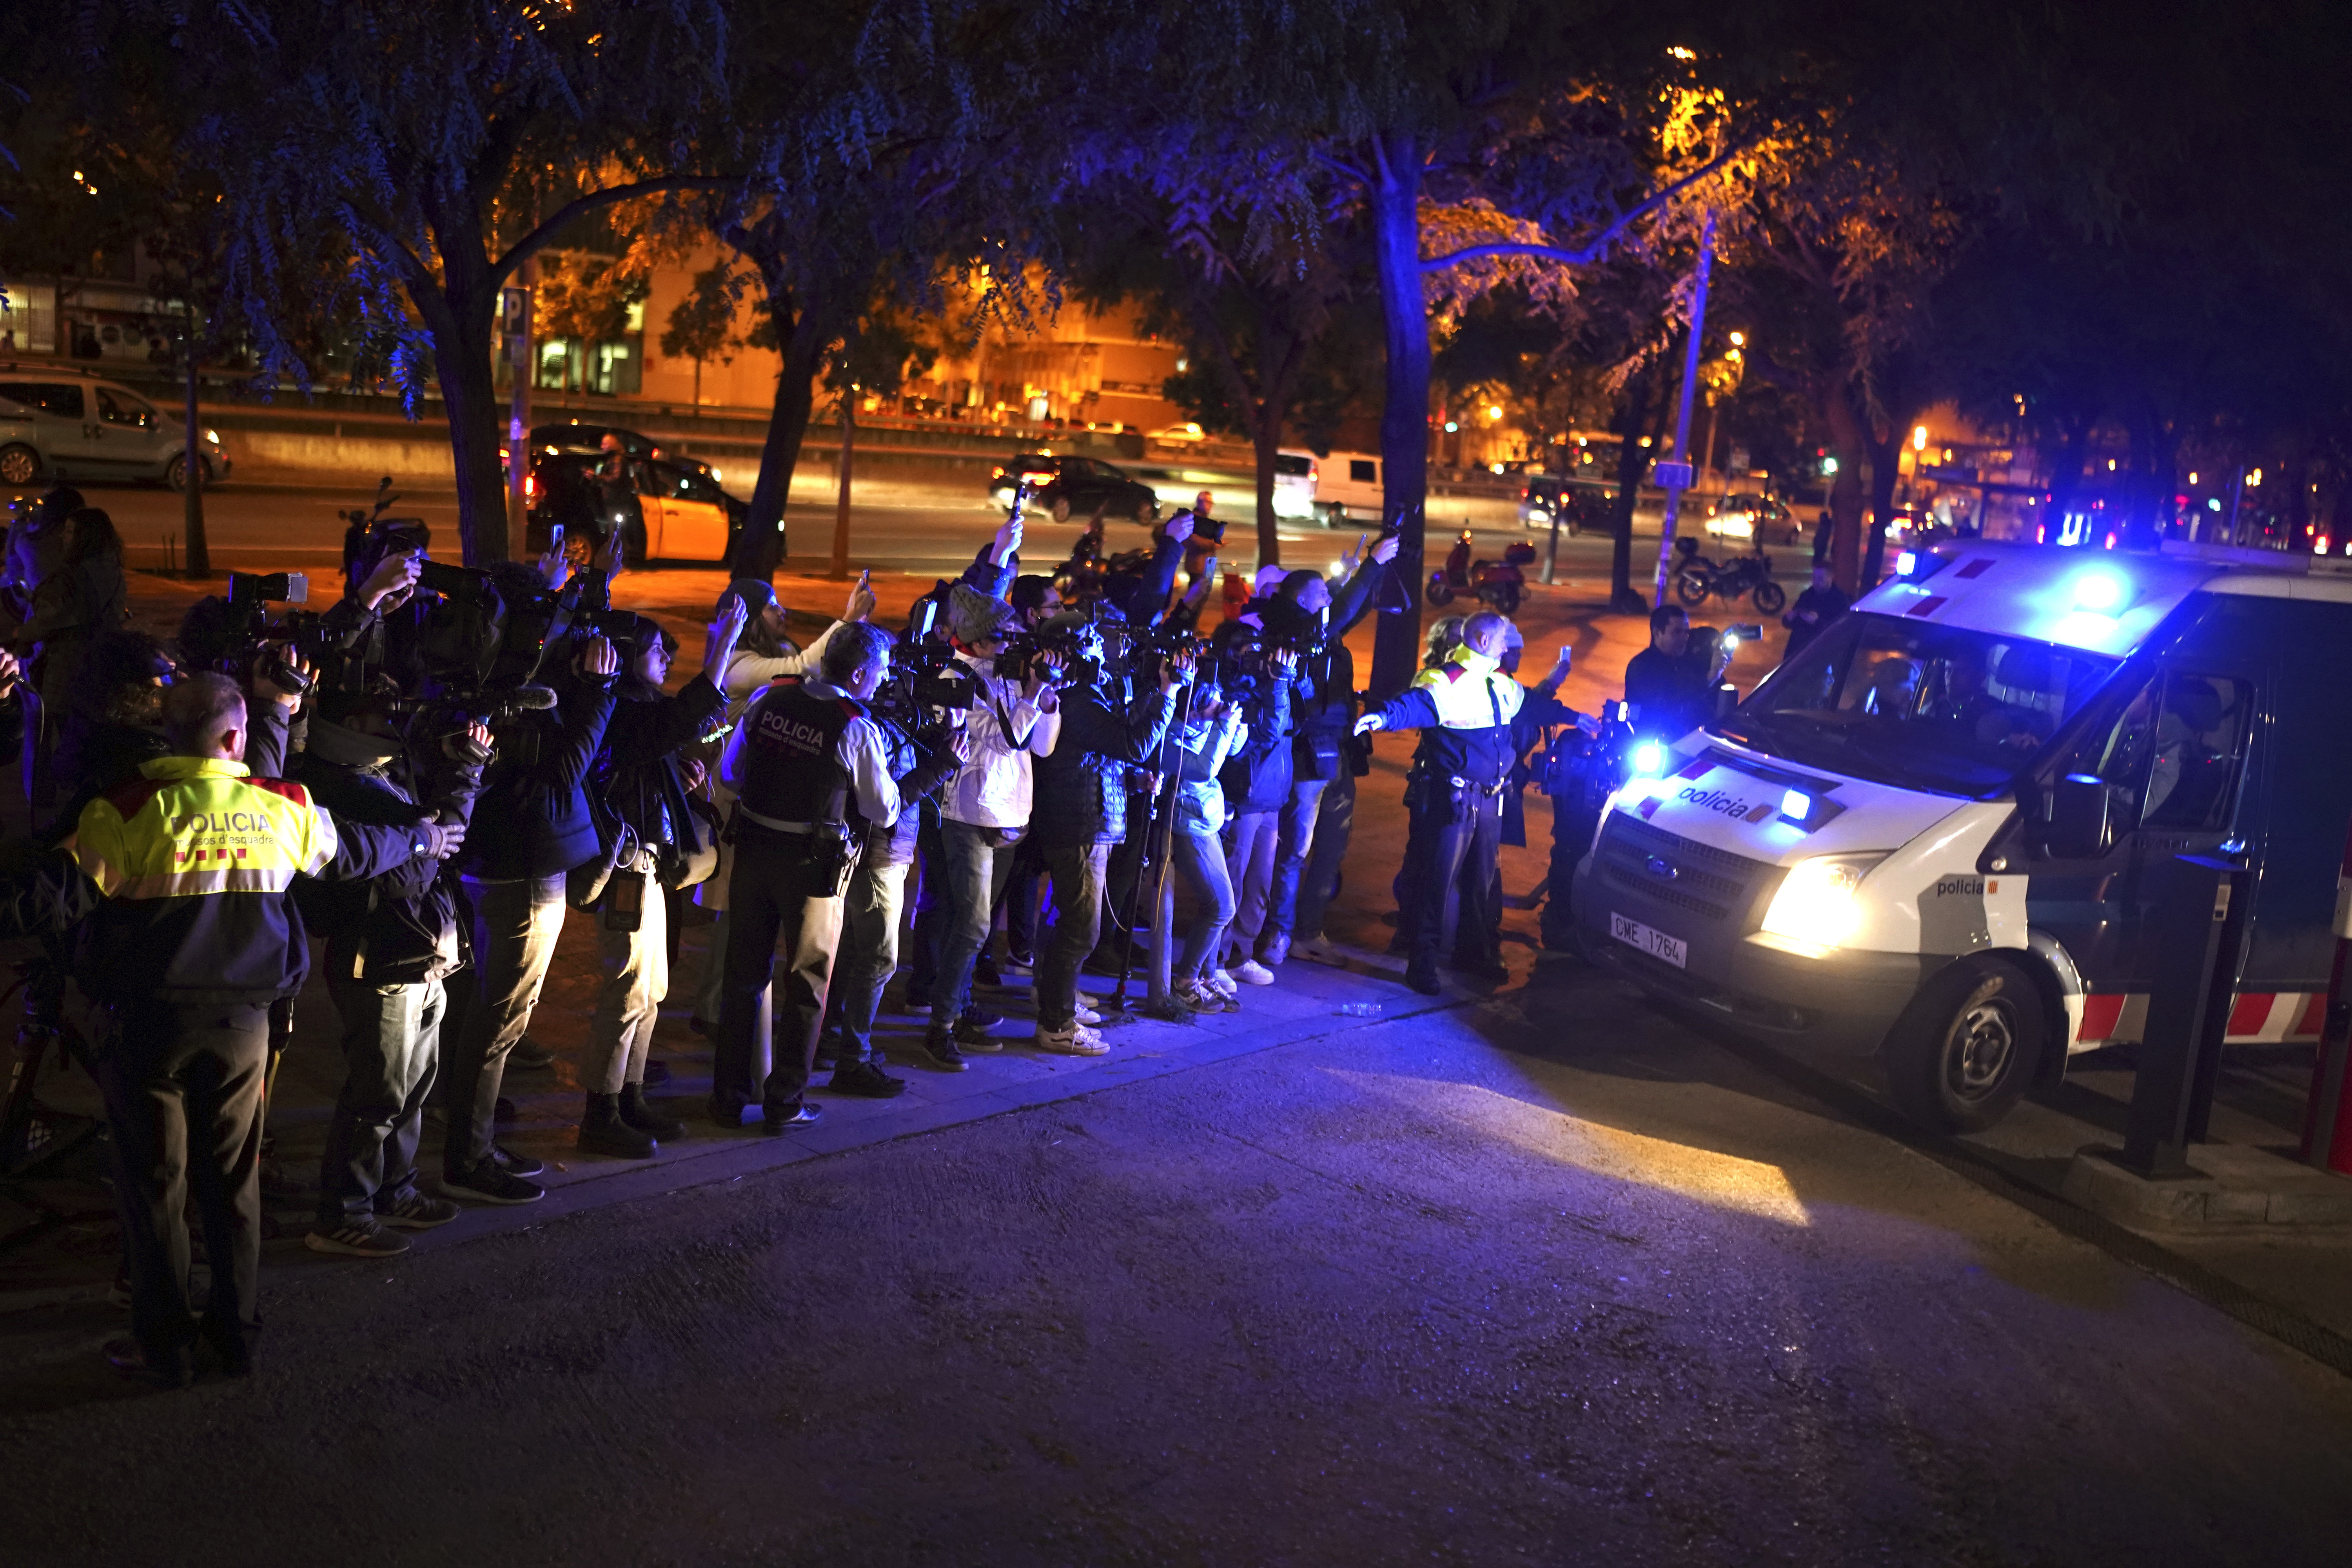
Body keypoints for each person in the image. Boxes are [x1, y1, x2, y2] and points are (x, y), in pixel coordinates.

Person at [14, 673, 456, 1383]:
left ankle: (166, 1349)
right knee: (233, 1182)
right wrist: (425, 837)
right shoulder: (281, 807)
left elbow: (49, 898)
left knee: (156, 1186)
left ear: (171, 735)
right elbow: (358, 853)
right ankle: (238, 1337)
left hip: (146, 1027)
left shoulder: (123, 811)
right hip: (244, 1028)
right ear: (233, 738)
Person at [708, 622, 938, 1131]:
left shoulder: (770, 698)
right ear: (858, 674)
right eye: (878, 674)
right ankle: (785, 1101)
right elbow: (883, 810)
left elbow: (727, 774)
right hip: (813, 869)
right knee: (809, 983)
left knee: (743, 979)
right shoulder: (853, 724)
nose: (881, 684)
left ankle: (727, 1097)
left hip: (753, 853)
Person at [294, 692, 492, 1257]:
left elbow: (433, 839)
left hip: (418, 956)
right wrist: (464, 775)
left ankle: (393, 1190)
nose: (396, 722)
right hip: (380, 958)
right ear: (351, 722)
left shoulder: (379, 774)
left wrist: (457, 764)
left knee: (413, 1088)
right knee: (377, 1093)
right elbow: (422, 864)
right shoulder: (340, 787)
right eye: (383, 713)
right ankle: (343, 1214)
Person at [439, 604, 619, 1206]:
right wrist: (597, 693)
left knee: (494, 1015)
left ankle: (477, 1145)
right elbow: (564, 770)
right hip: (519, 873)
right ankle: (467, 1158)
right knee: (499, 1018)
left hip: (514, 866)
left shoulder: (503, 686)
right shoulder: (510, 701)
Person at [575, 604, 742, 1159]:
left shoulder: (636, 709)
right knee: (626, 989)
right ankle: (601, 1111)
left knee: (651, 991)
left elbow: (666, 737)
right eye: (656, 650)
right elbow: (679, 720)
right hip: (627, 866)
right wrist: (721, 647)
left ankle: (631, 1095)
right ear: (625, 661)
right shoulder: (618, 708)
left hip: (648, 866)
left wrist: (683, 780)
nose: (667, 658)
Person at [1356, 612, 1578, 995]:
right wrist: (1383, 716)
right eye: (1502, 639)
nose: (1508, 646)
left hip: (1488, 799)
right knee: (1436, 883)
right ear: (1480, 638)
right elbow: (1417, 704)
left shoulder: (1498, 681)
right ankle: (1421, 964)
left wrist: (1578, 718)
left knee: (1480, 883)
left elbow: (1530, 705)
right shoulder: (1446, 679)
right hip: (1453, 800)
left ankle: (1473, 955)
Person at [690, 574, 873, 1032]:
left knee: (741, 919)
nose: (782, 613)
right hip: (738, 802)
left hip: (751, 796)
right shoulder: (741, 664)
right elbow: (805, 667)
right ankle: (714, 1013)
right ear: (751, 618)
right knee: (734, 918)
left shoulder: (766, 656)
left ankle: (727, 1012)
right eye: (773, 607)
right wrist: (847, 623)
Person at [921, 585, 1061, 1069]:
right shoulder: (955, 678)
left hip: (1009, 814)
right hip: (969, 816)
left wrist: (1046, 698)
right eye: (1004, 636)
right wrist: (1031, 692)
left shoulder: (1006, 674)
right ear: (977, 641)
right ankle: (940, 1026)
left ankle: (958, 1004)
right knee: (974, 922)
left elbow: (1039, 746)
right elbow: (1004, 740)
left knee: (977, 926)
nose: (1014, 643)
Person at [1029, 634, 1184, 1053]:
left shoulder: (1088, 696)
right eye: (1099, 644)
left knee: (1075, 924)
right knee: (1082, 928)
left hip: (1088, 819)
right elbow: (1132, 743)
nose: (1110, 652)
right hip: (1078, 824)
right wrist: (1167, 694)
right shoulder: (1080, 700)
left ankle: (1058, 1000)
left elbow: (1100, 758)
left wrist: (1133, 781)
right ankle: (1057, 1023)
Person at [1256, 535, 1399, 967]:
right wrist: (1370, 564)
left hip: (1339, 752)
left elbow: (1350, 609)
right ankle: (1279, 933)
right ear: (1302, 599)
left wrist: (1367, 572)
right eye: (1321, 592)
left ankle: (1309, 929)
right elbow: (1339, 613)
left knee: (1332, 847)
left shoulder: (1325, 634)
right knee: (1296, 848)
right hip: (1310, 757)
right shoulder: (1295, 632)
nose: (1328, 595)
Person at [1168, 673, 1249, 1013]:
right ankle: (1186, 981)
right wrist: (1223, 727)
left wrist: (1234, 724)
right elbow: (1203, 770)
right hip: (1188, 828)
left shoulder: (1203, 728)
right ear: (1192, 710)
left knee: (1217, 905)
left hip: (1207, 822)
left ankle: (1206, 974)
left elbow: (1235, 747)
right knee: (1221, 907)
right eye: (1211, 705)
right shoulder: (1171, 737)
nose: (1219, 710)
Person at [1623, 604, 1726, 742]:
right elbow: (1670, 704)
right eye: (1677, 632)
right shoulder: (1642, 666)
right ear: (1657, 633)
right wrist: (1711, 677)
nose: (1684, 638)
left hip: (1690, 740)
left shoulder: (1684, 660)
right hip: (1653, 743)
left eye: (1687, 633)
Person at [1782, 564, 1851, 658]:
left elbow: (1842, 629)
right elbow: (1791, 622)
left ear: (1830, 578)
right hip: (1797, 652)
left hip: (1821, 653)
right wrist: (1789, 618)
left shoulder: (1840, 600)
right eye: (1814, 578)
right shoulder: (1807, 595)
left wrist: (1817, 622)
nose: (1816, 582)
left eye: (1821, 579)